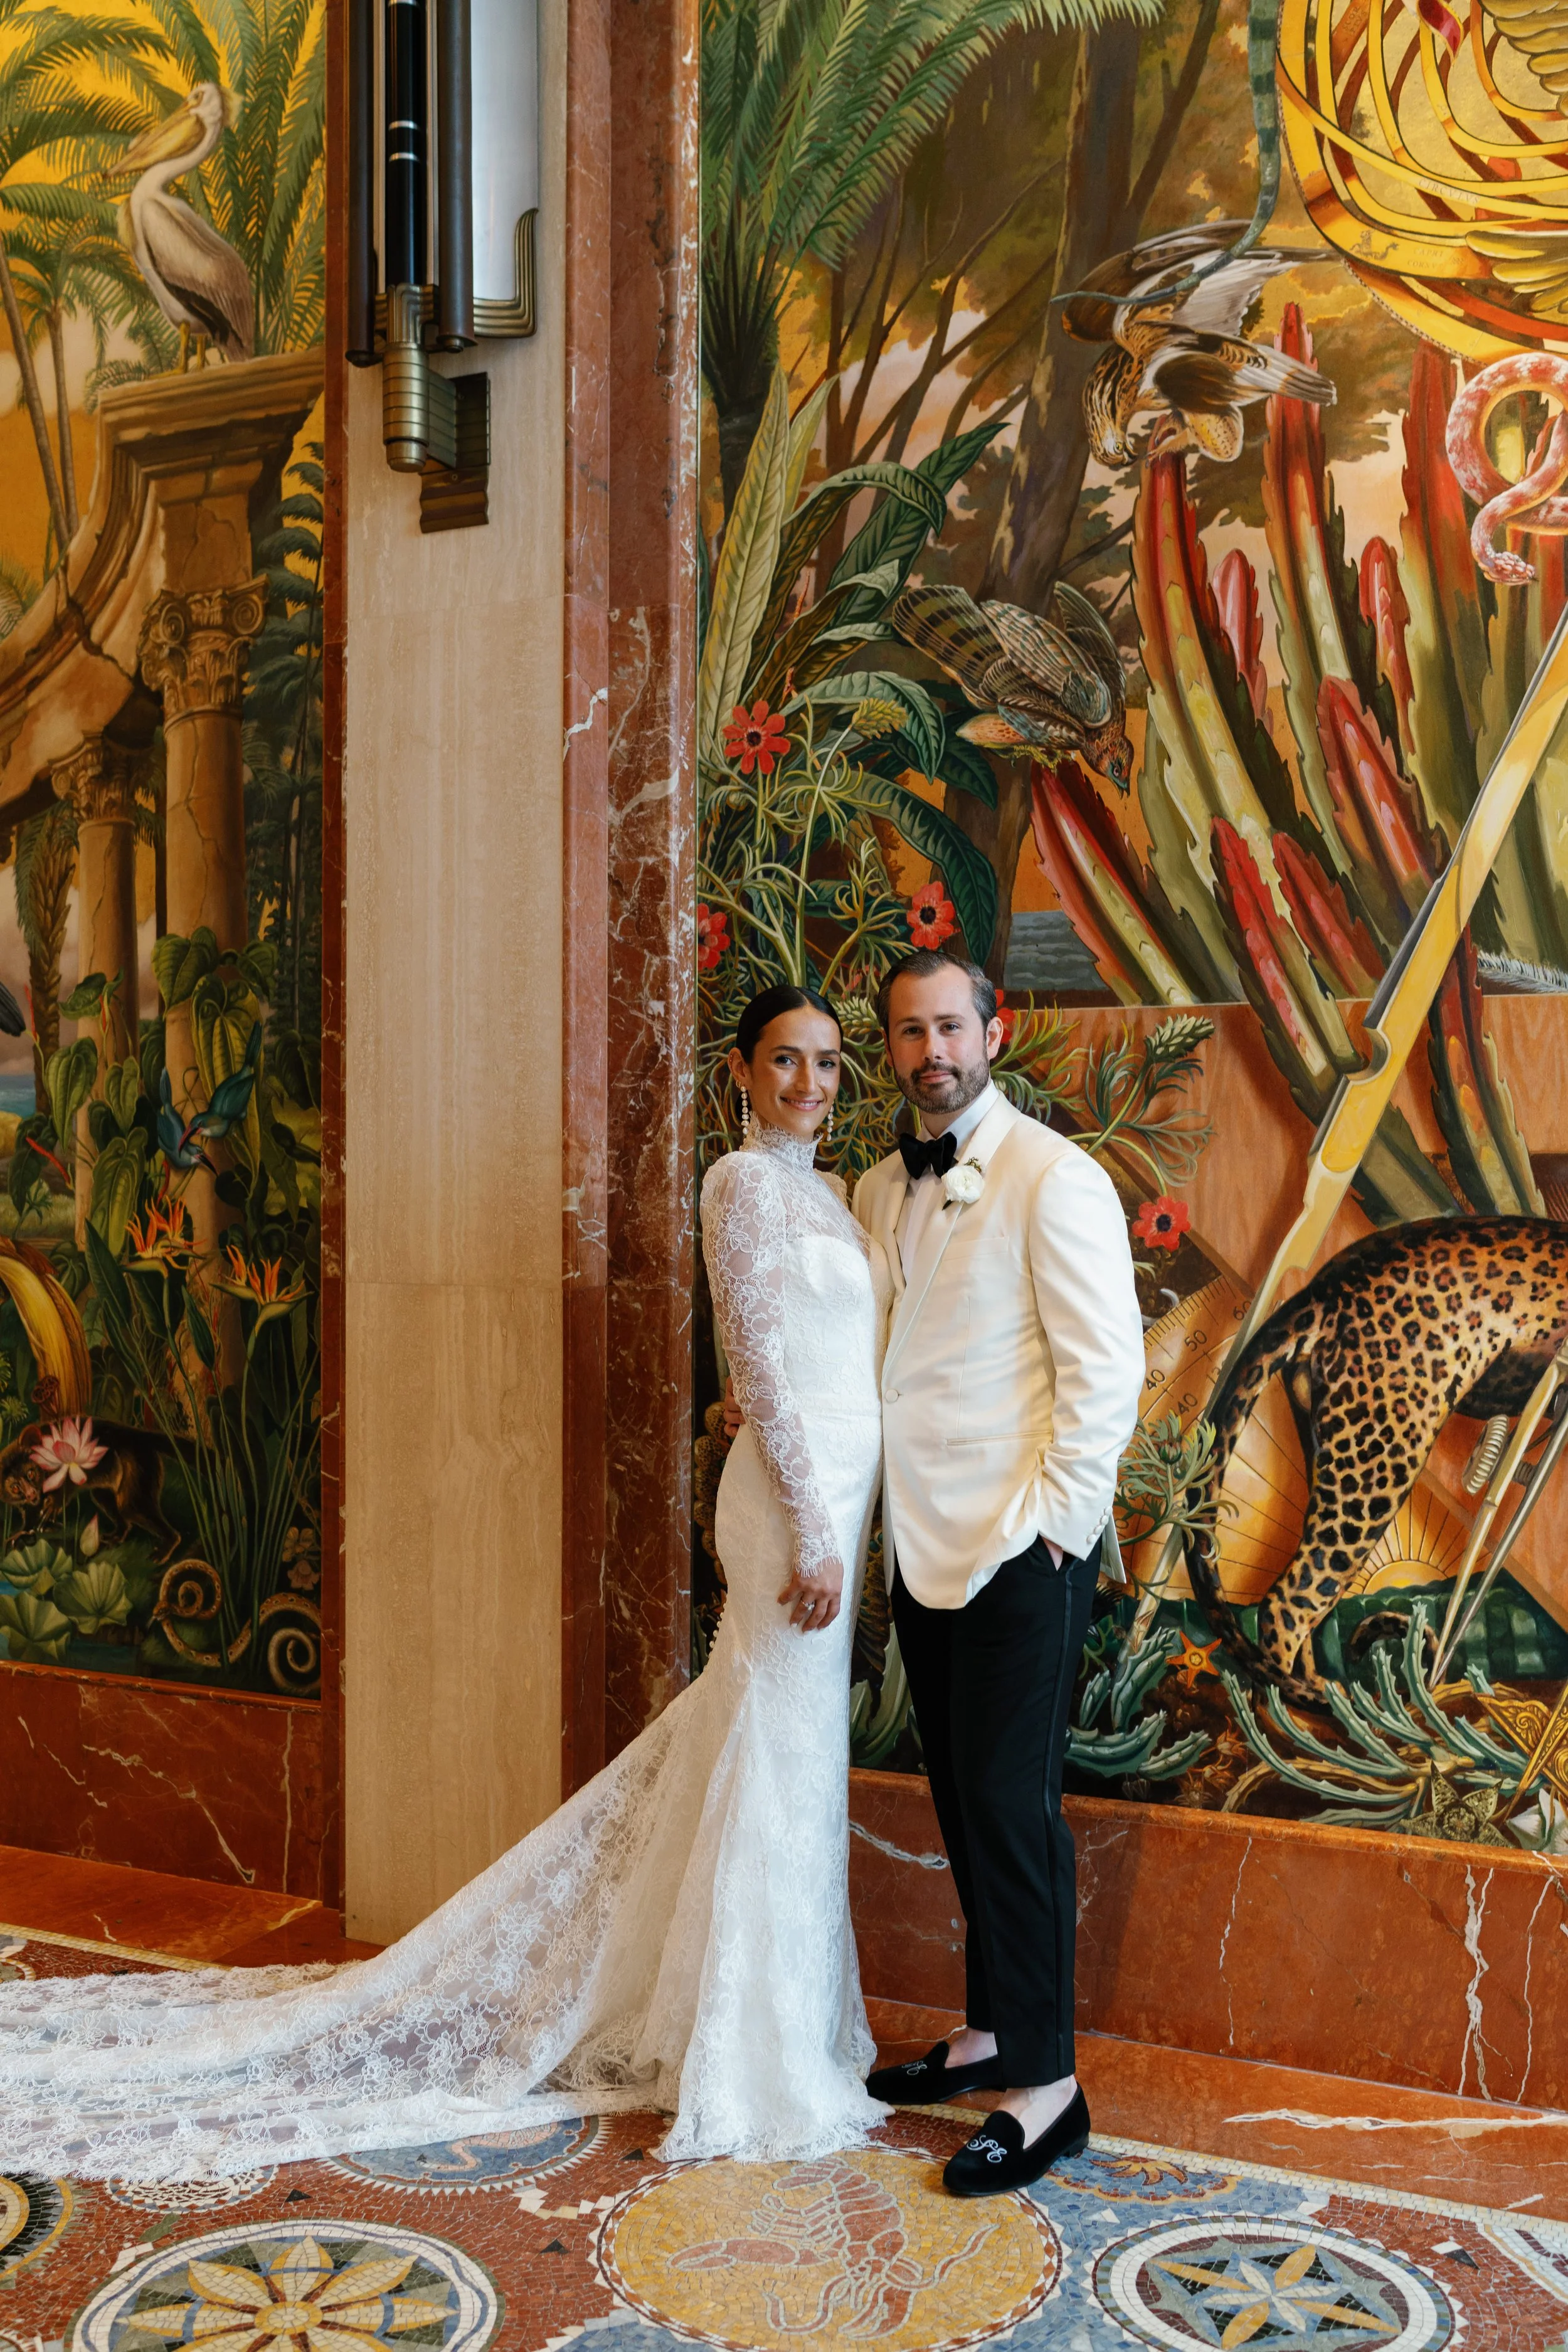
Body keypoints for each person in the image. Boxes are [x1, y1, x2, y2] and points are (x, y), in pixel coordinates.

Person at [0, 984, 891, 2184]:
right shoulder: (739, 1184)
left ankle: (727, 2016)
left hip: (830, 1493)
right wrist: (816, 1524)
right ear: (742, 1070)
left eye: (828, 1064)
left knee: (778, 1758)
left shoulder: (832, 1195)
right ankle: (757, 2055)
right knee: (779, 1759)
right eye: (787, 1061)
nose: (810, 1085)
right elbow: (758, 1365)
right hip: (797, 1513)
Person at [854, 948, 1144, 2197]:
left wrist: (1055, 1531)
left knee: (1013, 1813)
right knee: (964, 1802)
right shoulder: (877, 1187)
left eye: (949, 1028)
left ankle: (1046, 2090)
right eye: (910, 1032)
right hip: (919, 1543)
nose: (932, 1052)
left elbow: (1105, 1374)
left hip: (1022, 1549)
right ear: (893, 1049)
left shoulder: (1050, 1176)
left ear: (993, 1031)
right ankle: (986, 2033)